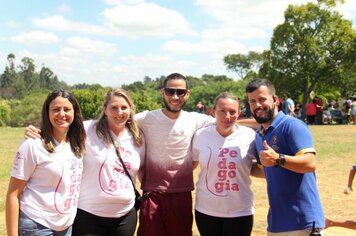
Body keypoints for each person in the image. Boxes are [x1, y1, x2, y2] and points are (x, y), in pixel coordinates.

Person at [24, 88, 145, 236]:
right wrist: (36, 130)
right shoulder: (86, 130)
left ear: (130, 109)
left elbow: (142, 171)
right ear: (105, 109)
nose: (119, 112)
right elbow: (60, 127)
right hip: (88, 215)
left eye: (124, 107)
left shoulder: (138, 137)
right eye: (114, 107)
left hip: (125, 216)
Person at [135, 73, 216, 236]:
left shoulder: (195, 119)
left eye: (180, 92)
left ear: (188, 94)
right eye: (170, 91)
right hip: (152, 194)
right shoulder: (146, 118)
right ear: (162, 92)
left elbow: (226, 122)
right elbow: (116, 122)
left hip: (182, 194)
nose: (175, 96)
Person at [245, 78, 325, 236]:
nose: (257, 105)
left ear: (275, 100)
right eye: (252, 101)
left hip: (302, 221)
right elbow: (265, 171)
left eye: (262, 99)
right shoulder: (260, 134)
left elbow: (310, 163)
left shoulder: (292, 125)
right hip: (276, 223)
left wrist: (278, 159)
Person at [6, 90, 86, 236]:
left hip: (66, 226)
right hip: (37, 224)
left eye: (67, 109)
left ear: (75, 113)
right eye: (56, 109)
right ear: (47, 113)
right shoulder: (33, 145)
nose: (62, 114)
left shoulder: (77, 143)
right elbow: (13, 194)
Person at [191, 92, 263, 236]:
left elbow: (258, 167)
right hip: (206, 209)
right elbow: (192, 164)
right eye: (222, 111)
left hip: (240, 211)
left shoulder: (250, 136)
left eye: (232, 112)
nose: (227, 117)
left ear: (239, 113)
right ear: (213, 112)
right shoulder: (200, 135)